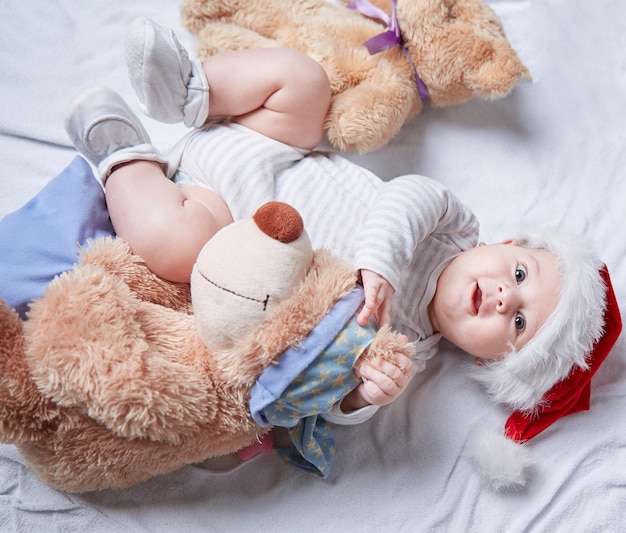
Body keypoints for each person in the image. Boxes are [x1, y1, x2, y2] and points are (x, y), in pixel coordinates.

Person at [65, 18, 619, 482]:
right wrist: (378, 265)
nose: (503, 296)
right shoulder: (454, 228)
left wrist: (362, 400)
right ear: (506, 244)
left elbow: (324, 384)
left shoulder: (409, 346)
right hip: (273, 142)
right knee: (305, 82)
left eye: (519, 323)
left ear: (487, 358)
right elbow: (407, 197)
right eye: (520, 273)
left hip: (221, 214)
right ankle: (192, 91)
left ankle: (123, 156)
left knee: (173, 246)